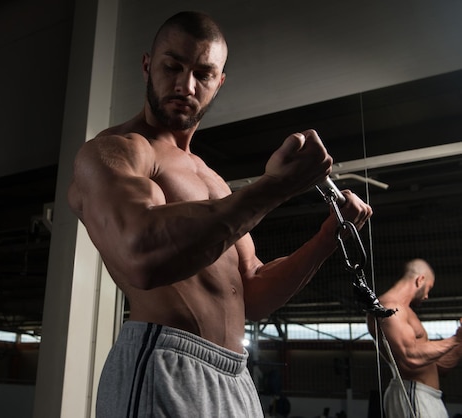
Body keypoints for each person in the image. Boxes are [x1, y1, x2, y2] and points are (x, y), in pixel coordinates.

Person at [67, 10, 372, 418]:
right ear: (146, 65)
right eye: (172, 66)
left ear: (219, 82)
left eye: (203, 74)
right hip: (164, 362)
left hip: (235, 376)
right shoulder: (119, 151)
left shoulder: (213, 181)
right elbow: (139, 253)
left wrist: (329, 235)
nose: (185, 85)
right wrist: (274, 188)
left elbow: (252, 292)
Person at [367, 258, 462, 418]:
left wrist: (459, 340)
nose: (427, 296)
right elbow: (411, 357)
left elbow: (439, 366)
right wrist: (455, 340)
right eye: (429, 288)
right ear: (420, 280)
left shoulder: (405, 311)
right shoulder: (389, 307)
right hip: (412, 393)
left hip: (426, 396)